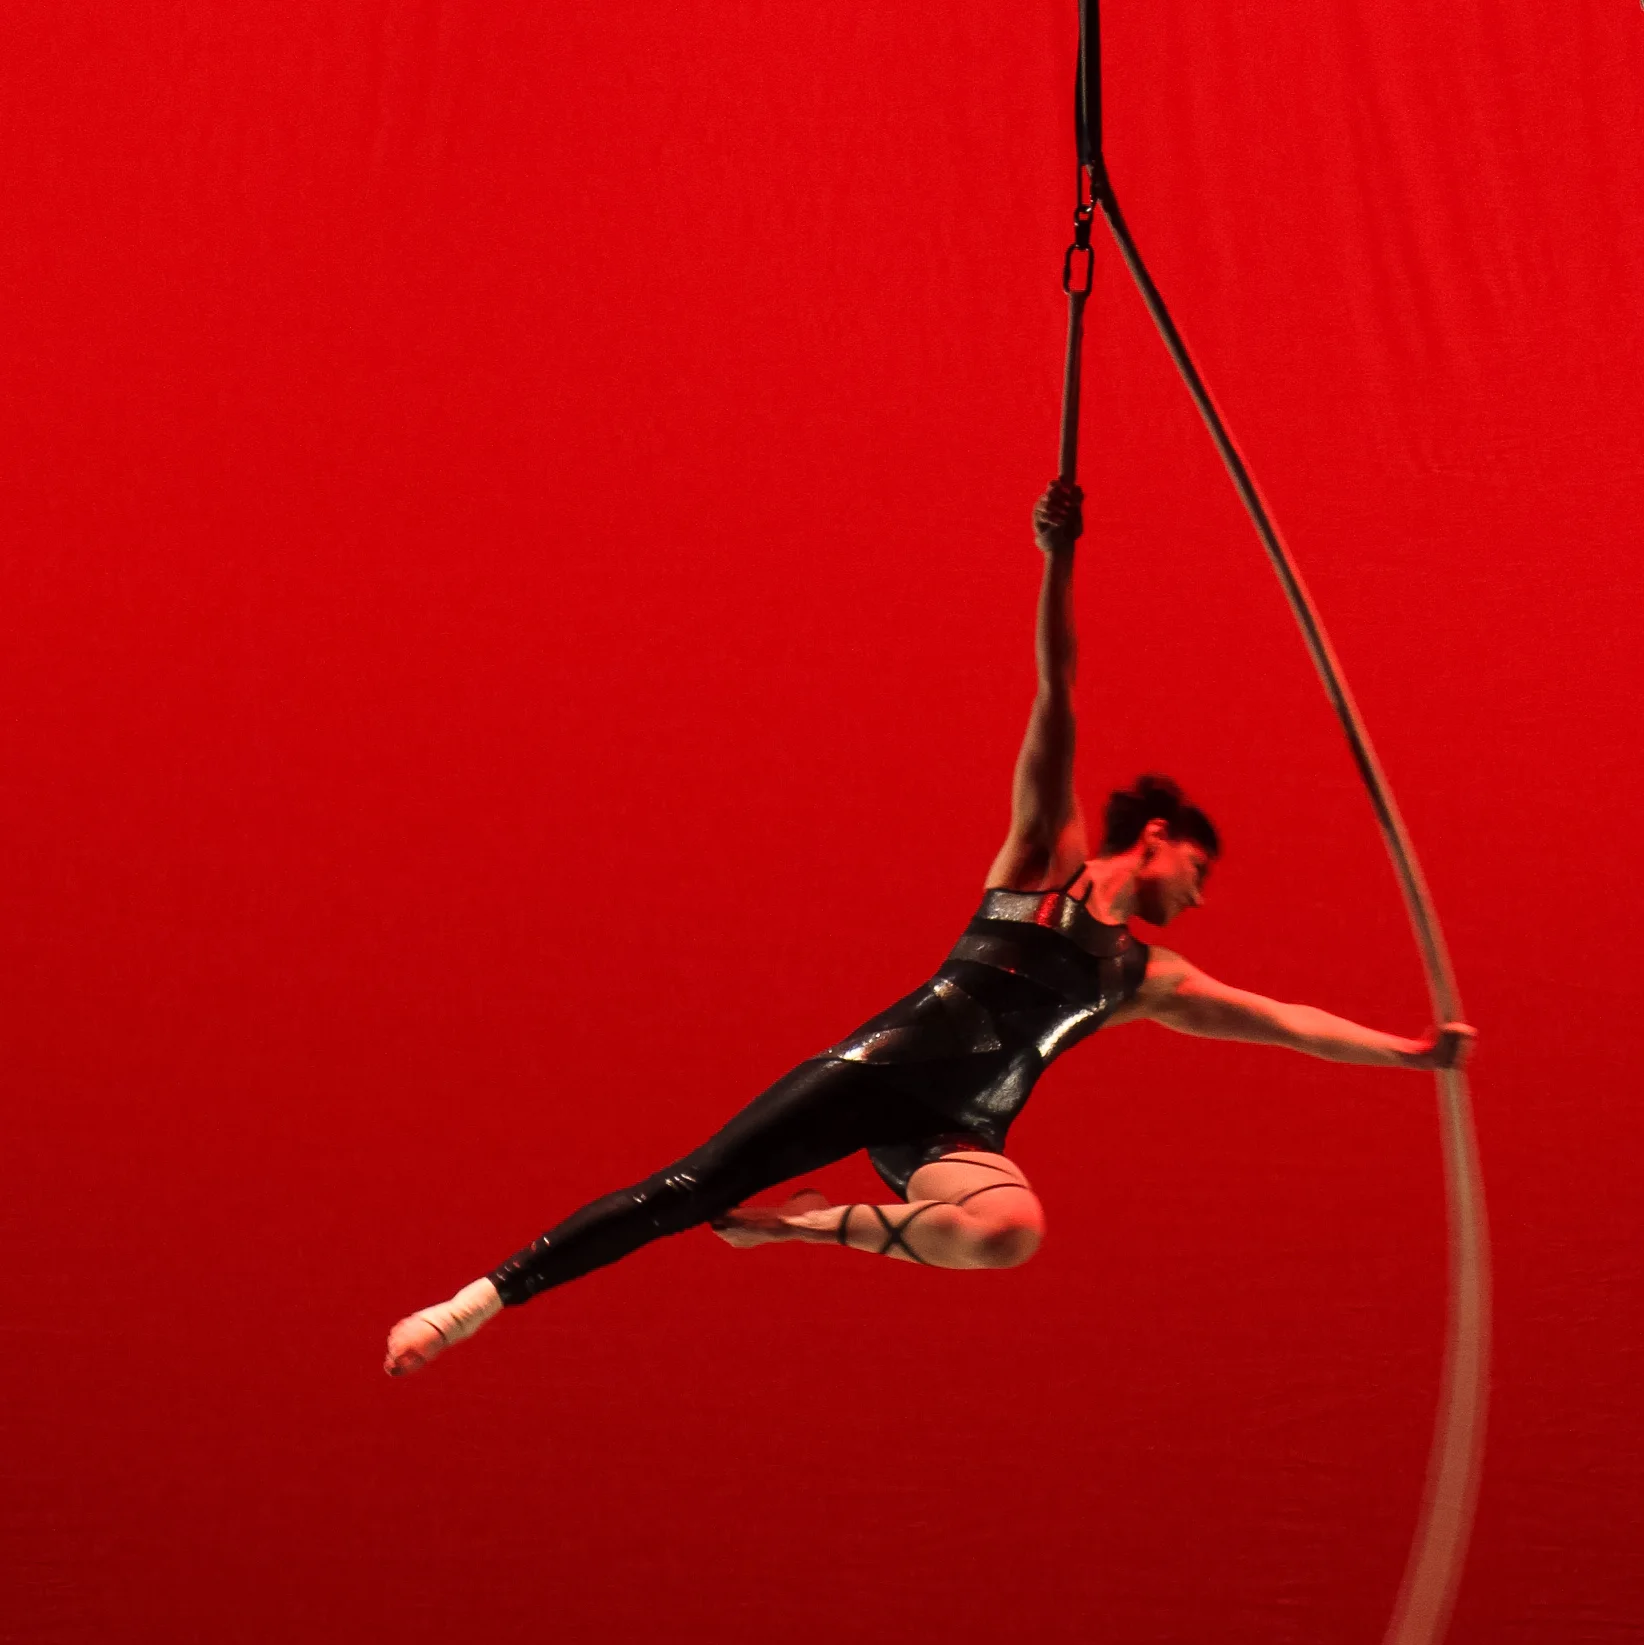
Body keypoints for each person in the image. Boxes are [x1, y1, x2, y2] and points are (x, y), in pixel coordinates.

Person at [385, 481, 1472, 1376]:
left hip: (955, 1134)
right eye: (1202, 866)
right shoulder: (1041, 862)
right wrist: (1056, 558)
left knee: (1008, 1237)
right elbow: (1059, 690)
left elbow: (1286, 1021)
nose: (1202, 891)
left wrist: (1413, 1054)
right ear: (1156, 835)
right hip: (878, 1072)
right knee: (687, 1190)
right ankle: (477, 1300)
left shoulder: (1148, 978)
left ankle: (802, 1227)